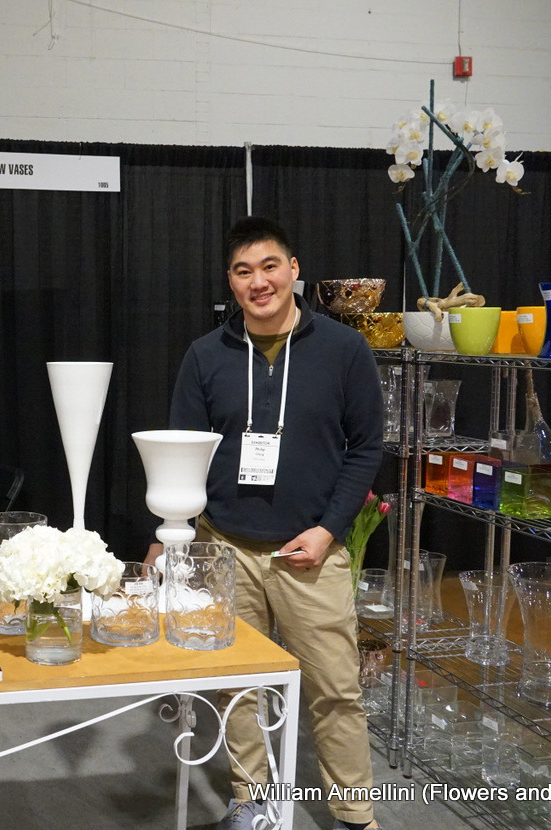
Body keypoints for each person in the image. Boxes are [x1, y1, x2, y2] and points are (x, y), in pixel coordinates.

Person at [160, 216, 385, 830]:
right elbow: (182, 451)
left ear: (294, 270)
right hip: (225, 547)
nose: (258, 282)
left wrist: (330, 529)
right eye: (243, 271)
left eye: (269, 266)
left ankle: (355, 815)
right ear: (230, 282)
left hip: (310, 550)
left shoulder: (344, 349)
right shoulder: (206, 355)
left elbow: (367, 447)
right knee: (236, 685)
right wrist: (172, 537)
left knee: (336, 689)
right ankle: (251, 800)